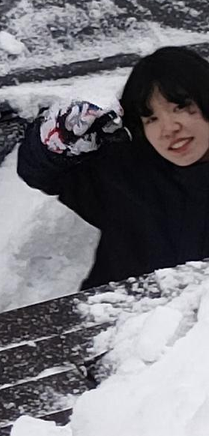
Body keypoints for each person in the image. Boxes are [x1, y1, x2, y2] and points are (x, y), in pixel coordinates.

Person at [18, 45, 209, 290]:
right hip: (109, 311)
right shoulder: (130, 174)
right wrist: (55, 141)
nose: (169, 129)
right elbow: (41, 174)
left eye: (179, 108)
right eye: (151, 118)